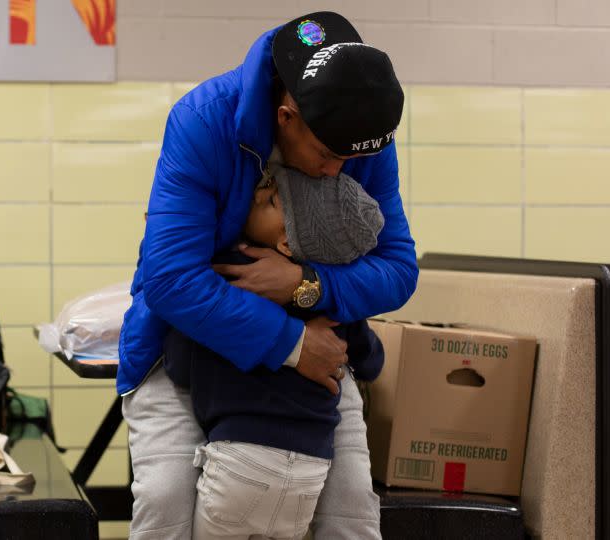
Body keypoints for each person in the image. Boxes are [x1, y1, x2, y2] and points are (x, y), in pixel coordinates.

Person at [118, 11, 418, 540]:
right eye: (327, 155)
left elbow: (397, 269)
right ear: (286, 116)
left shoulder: (359, 141)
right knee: (165, 504)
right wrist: (293, 342)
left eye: (351, 159)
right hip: (186, 344)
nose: (338, 171)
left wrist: (305, 286)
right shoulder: (204, 119)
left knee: (351, 510)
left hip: (320, 345)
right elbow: (169, 278)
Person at [163, 165, 386, 540]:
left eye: (268, 201)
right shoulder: (330, 293)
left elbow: (181, 366)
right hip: (310, 473)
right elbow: (371, 360)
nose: (255, 197)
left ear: (285, 241)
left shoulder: (229, 271)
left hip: (238, 461)